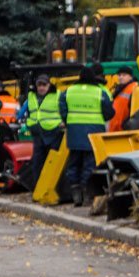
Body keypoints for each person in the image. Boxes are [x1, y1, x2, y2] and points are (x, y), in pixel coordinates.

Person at [59, 64, 114, 207]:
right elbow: (109, 112)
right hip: (93, 133)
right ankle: (86, 192)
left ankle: (76, 193)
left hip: (74, 133)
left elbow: (62, 108)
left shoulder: (69, 91)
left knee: (74, 163)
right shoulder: (99, 92)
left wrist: (68, 121)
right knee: (89, 165)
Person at [25, 75, 63, 185]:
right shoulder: (31, 95)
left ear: (49, 85)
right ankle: (38, 186)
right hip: (38, 133)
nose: (41, 88)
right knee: (37, 162)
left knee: (52, 161)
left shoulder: (58, 95)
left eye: (44, 85)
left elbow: (64, 110)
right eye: (39, 85)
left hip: (53, 132)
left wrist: (62, 123)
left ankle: (51, 185)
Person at [108, 66, 139, 131]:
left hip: (124, 129)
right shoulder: (120, 88)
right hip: (117, 128)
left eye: (124, 75)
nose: (121, 77)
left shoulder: (134, 89)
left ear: (130, 77)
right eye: (119, 75)